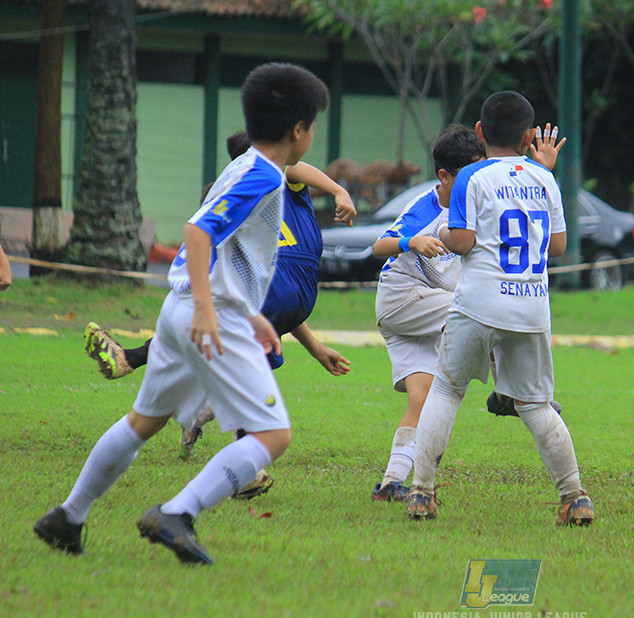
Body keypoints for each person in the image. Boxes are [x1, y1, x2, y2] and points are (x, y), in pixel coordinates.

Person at [33, 62, 329, 565]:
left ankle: (69, 516)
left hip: (182, 309)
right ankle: (178, 513)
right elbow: (197, 234)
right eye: (312, 126)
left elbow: (222, 245)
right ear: (298, 130)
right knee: (272, 434)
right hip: (202, 316)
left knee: (144, 421)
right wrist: (212, 310)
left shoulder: (247, 166)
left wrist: (243, 308)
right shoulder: (262, 175)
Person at [83, 129, 355, 495]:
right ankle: (225, 472)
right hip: (263, 290)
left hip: (281, 294)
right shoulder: (267, 174)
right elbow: (202, 233)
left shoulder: (256, 180)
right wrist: (338, 190)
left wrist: (316, 347)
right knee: (262, 415)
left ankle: (74, 509)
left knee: (151, 416)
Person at [404, 91, 593, 526]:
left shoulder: (471, 175)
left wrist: (450, 239)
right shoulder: (546, 179)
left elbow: (464, 242)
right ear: (530, 136)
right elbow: (559, 246)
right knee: (537, 405)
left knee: (447, 390)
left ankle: (421, 493)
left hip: (478, 304)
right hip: (530, 309)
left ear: (480, 133)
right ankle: (575, 497)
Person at [369, 123, 565, 502]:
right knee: (479, 311)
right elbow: (379, 245)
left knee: (422, 398)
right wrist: (413, 240)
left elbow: (521, 208)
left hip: (429, 310)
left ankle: (392, 481)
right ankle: (510, 392)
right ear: (444, 176)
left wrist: (542, 170)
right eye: (470, 171)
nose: (480, 176)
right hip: (404, 300)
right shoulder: (429, 206)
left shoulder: (476, 197)